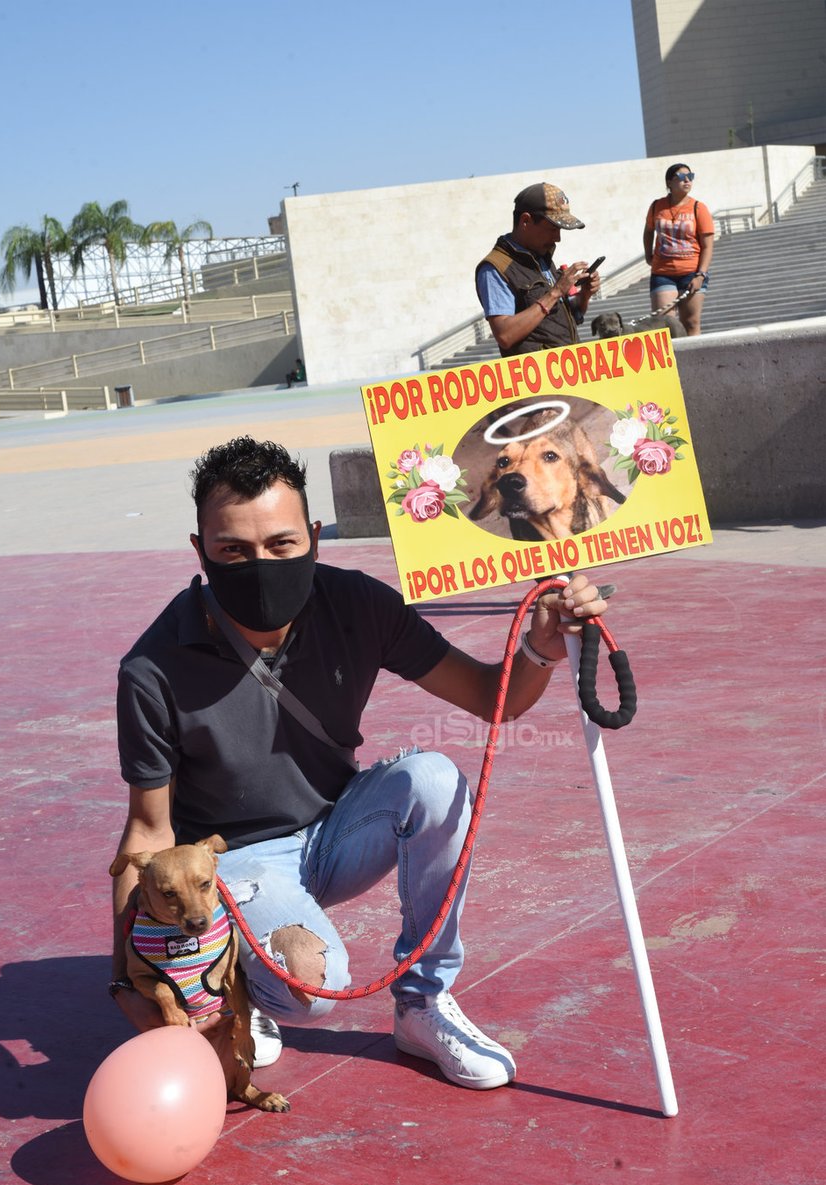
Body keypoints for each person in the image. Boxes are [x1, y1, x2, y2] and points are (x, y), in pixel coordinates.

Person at [111, 436, 609, 1091]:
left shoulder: (355, 605)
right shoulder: (153, 666)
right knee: (312, 989)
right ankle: (242, 982)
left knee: (433, 780)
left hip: (337, 828)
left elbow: (495, 698)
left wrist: (541, 647)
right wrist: (126, 977)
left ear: (314, 537)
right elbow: (148, 836)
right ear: (200, 550)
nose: (259, 563)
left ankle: (424, 1004)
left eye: (281, 544)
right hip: (235, 864)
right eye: (233, 549)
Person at [475, 182, 602, 356]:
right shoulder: (495, 268)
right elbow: (505, 335)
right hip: (537, 380)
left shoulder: (541, 256)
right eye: (552, 228)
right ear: (525, 221)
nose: (557, 238)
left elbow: (560, 320)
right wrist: (555, 293)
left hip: (567, 372)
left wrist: (585, 295)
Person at [643, 163, 715, 337]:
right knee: (664, 326)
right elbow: (648, 231)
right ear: (669, 182)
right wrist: (648, 254)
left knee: (691, 323)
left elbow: (707, 245)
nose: (687, 180)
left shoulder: (699, 208)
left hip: (691, 272)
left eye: (690, 176)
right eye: (682, 177)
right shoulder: (657, 206)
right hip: (663, 273)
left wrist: (700, 275)